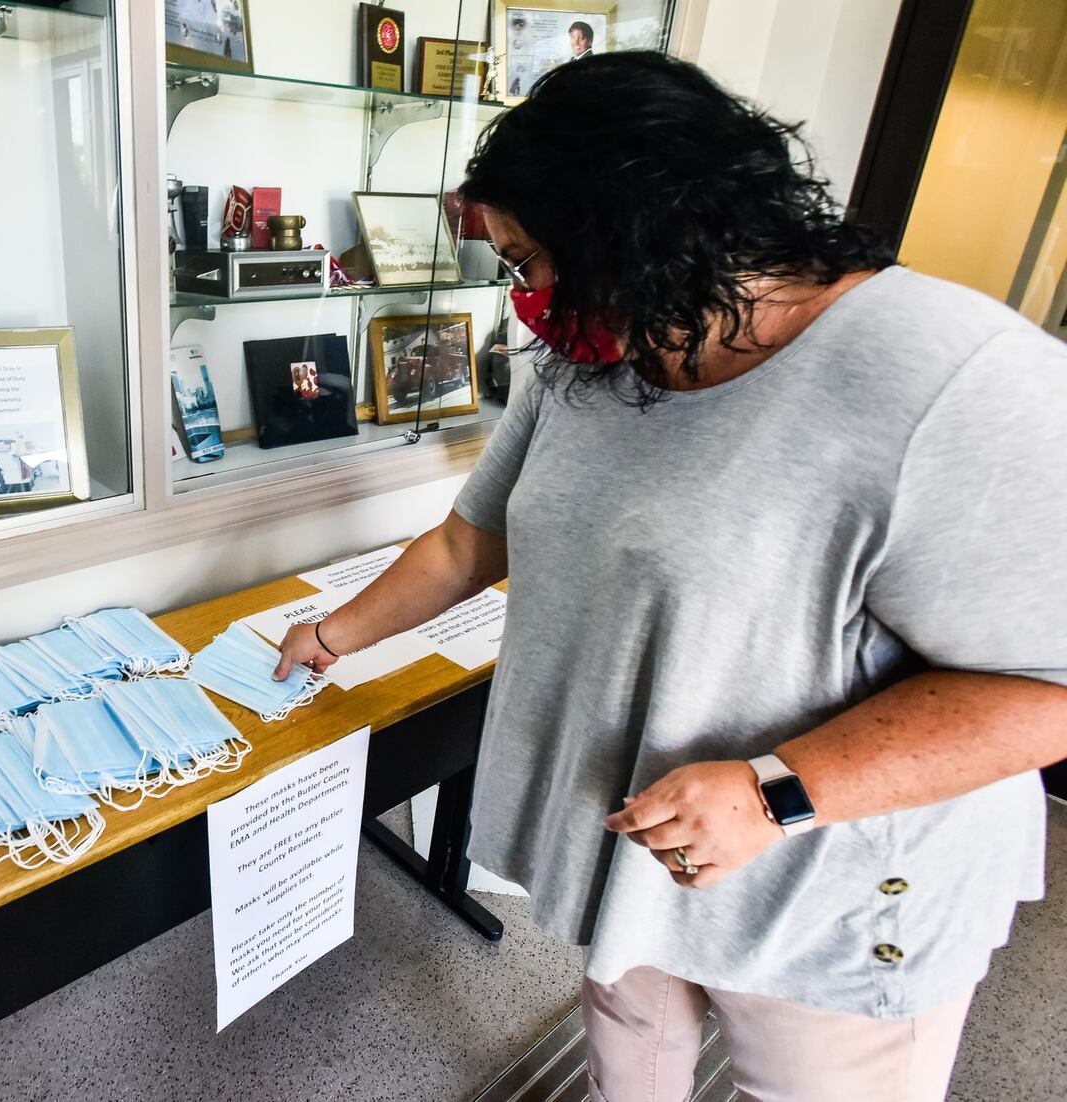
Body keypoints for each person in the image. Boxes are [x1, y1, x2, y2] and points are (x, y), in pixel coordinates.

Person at [274, 52, 1067, 1101]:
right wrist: (333, 636)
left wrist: (773, 793)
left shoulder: (954, 380)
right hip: (629, 855)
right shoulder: (600, 354)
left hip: (814, 887)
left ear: (636, 231)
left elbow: (1045, 690)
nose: (527, 302)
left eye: (532, 261)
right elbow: (475, 539)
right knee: (627, 1076)